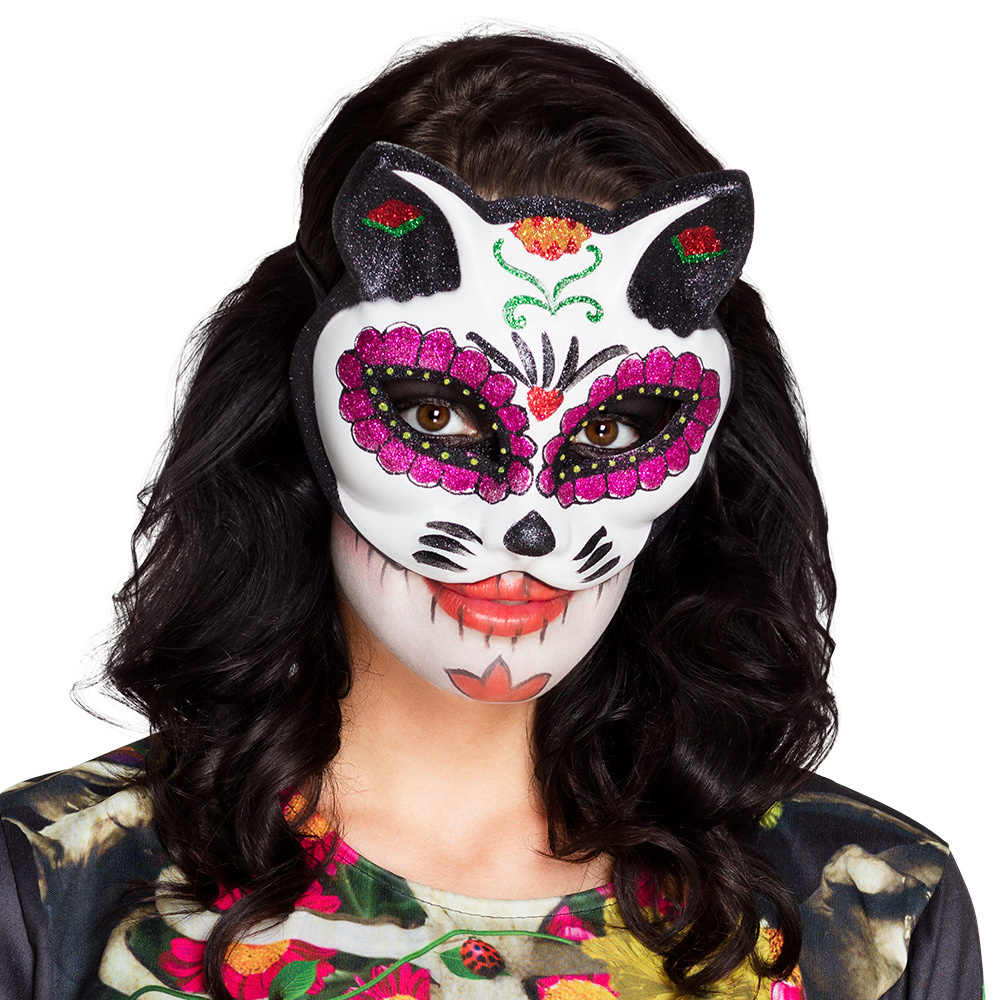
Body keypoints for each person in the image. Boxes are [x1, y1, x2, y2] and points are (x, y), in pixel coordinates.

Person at [0, 32, 982, 1000]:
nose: (530, 527)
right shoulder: (55, 889)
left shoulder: (869, 907)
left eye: (614, 428)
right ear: (301, 410)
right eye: (436, 416)